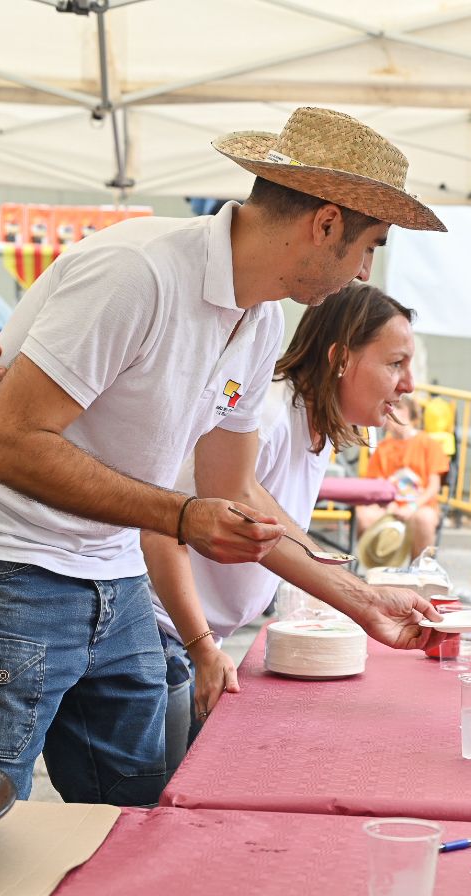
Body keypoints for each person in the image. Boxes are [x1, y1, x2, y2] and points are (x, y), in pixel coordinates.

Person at [0, 107, 444, 805]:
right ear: (327, 222)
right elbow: (4, 445)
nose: (365, 269)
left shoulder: (261, 317)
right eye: (370, 244)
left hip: (111, 569)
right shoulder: (138, 271)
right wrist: (181, 516)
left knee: (136, 811)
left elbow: (233, 487)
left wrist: (363, 600)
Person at [151, 283, 417, 770]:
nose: (409, 384)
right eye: (396, 363)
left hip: (192, 640)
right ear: (340, 358)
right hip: (161, 636)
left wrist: (364, 596)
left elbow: (278, 534)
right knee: (152, 802)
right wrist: (200, 646)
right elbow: (160, 525)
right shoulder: (268, 413)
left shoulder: (316, 426)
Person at [353, 394, 447, 561]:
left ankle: (419, 571)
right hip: (388, 506)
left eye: (390, 410)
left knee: (424, 518)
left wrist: (412, 506)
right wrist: (390, 506)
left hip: (420, 505)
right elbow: (376, 485)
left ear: (404, 412)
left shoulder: (428, 444)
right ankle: (377, 567)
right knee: (363, 516)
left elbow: (434, 486)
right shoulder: (383, 448)